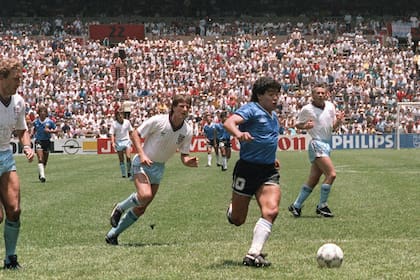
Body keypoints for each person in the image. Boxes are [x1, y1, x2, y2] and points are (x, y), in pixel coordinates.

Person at [105, 94, 199, 245]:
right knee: (145, 195)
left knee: (142, 208)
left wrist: (188, 161)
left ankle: (112, 235)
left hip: (159, 168)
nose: (185, 109)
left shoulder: (187, 131)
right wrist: (141, 154)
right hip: (142, 163)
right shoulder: (158, 120)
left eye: (188, 106)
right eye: (182, 106)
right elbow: (136, 133)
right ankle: (120, 208)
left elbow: (184, 155)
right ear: (174, 107)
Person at [224, 77, 282, 267]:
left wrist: (271, 157)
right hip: (247, 169)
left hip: (268, 170)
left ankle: (253, 254)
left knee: (271, 210)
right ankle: (232, 209)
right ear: (259, 96)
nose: (275, 98)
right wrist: (239, 134)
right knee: (238, 219)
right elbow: (229, 122)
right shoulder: (251, 109)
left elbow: (268, 140)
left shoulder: (274, 116)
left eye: (277, 94)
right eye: (271, 95)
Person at [288, 83, 344, 218]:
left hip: (326, 144)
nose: (320, 95)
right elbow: (296, 124)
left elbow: (332, 127)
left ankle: (296, 205)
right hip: (316, 144)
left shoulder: (330, 106)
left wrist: (339, 121)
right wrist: (305, 126)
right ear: (312, 95)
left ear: (326, 94)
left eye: (322, 93)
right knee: (331, 175)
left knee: (313, 180)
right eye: (317, 93)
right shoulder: (307, 109)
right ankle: (322, 206)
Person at [0, 57, 35, 269]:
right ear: (2, 78)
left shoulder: (18, 102)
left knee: (14, 210)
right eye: (15, 79)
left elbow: (22, 130)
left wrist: (27, 146)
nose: (19, 82)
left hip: (5, 156)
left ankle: (10, 258)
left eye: (20, 78)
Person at [32, 106, 58, 182]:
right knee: (40, 158)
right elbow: (33, 129)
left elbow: (56, 130)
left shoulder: (50, 121)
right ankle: (43, 176)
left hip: (47, 141)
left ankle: (41, 173)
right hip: (38, 141)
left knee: (45, 161)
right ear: (39, 113)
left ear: (46, 113)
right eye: (41, 112)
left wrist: (50, 131)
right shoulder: (35, 122)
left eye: (44, 112)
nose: (42, 113)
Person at [109, 110, 134, 178]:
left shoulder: (127, 122)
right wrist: (113, 142)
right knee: (121, 159)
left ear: (123, 115)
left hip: (127, 141)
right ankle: (123, 174)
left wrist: (132, 140)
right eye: (118, 115)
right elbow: (111, 134)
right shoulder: (114, 124)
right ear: (116, 116)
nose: (120, 116)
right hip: (118, 142)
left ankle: (129, 172)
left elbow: (131, 131)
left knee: (128, 157)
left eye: (121, 114)